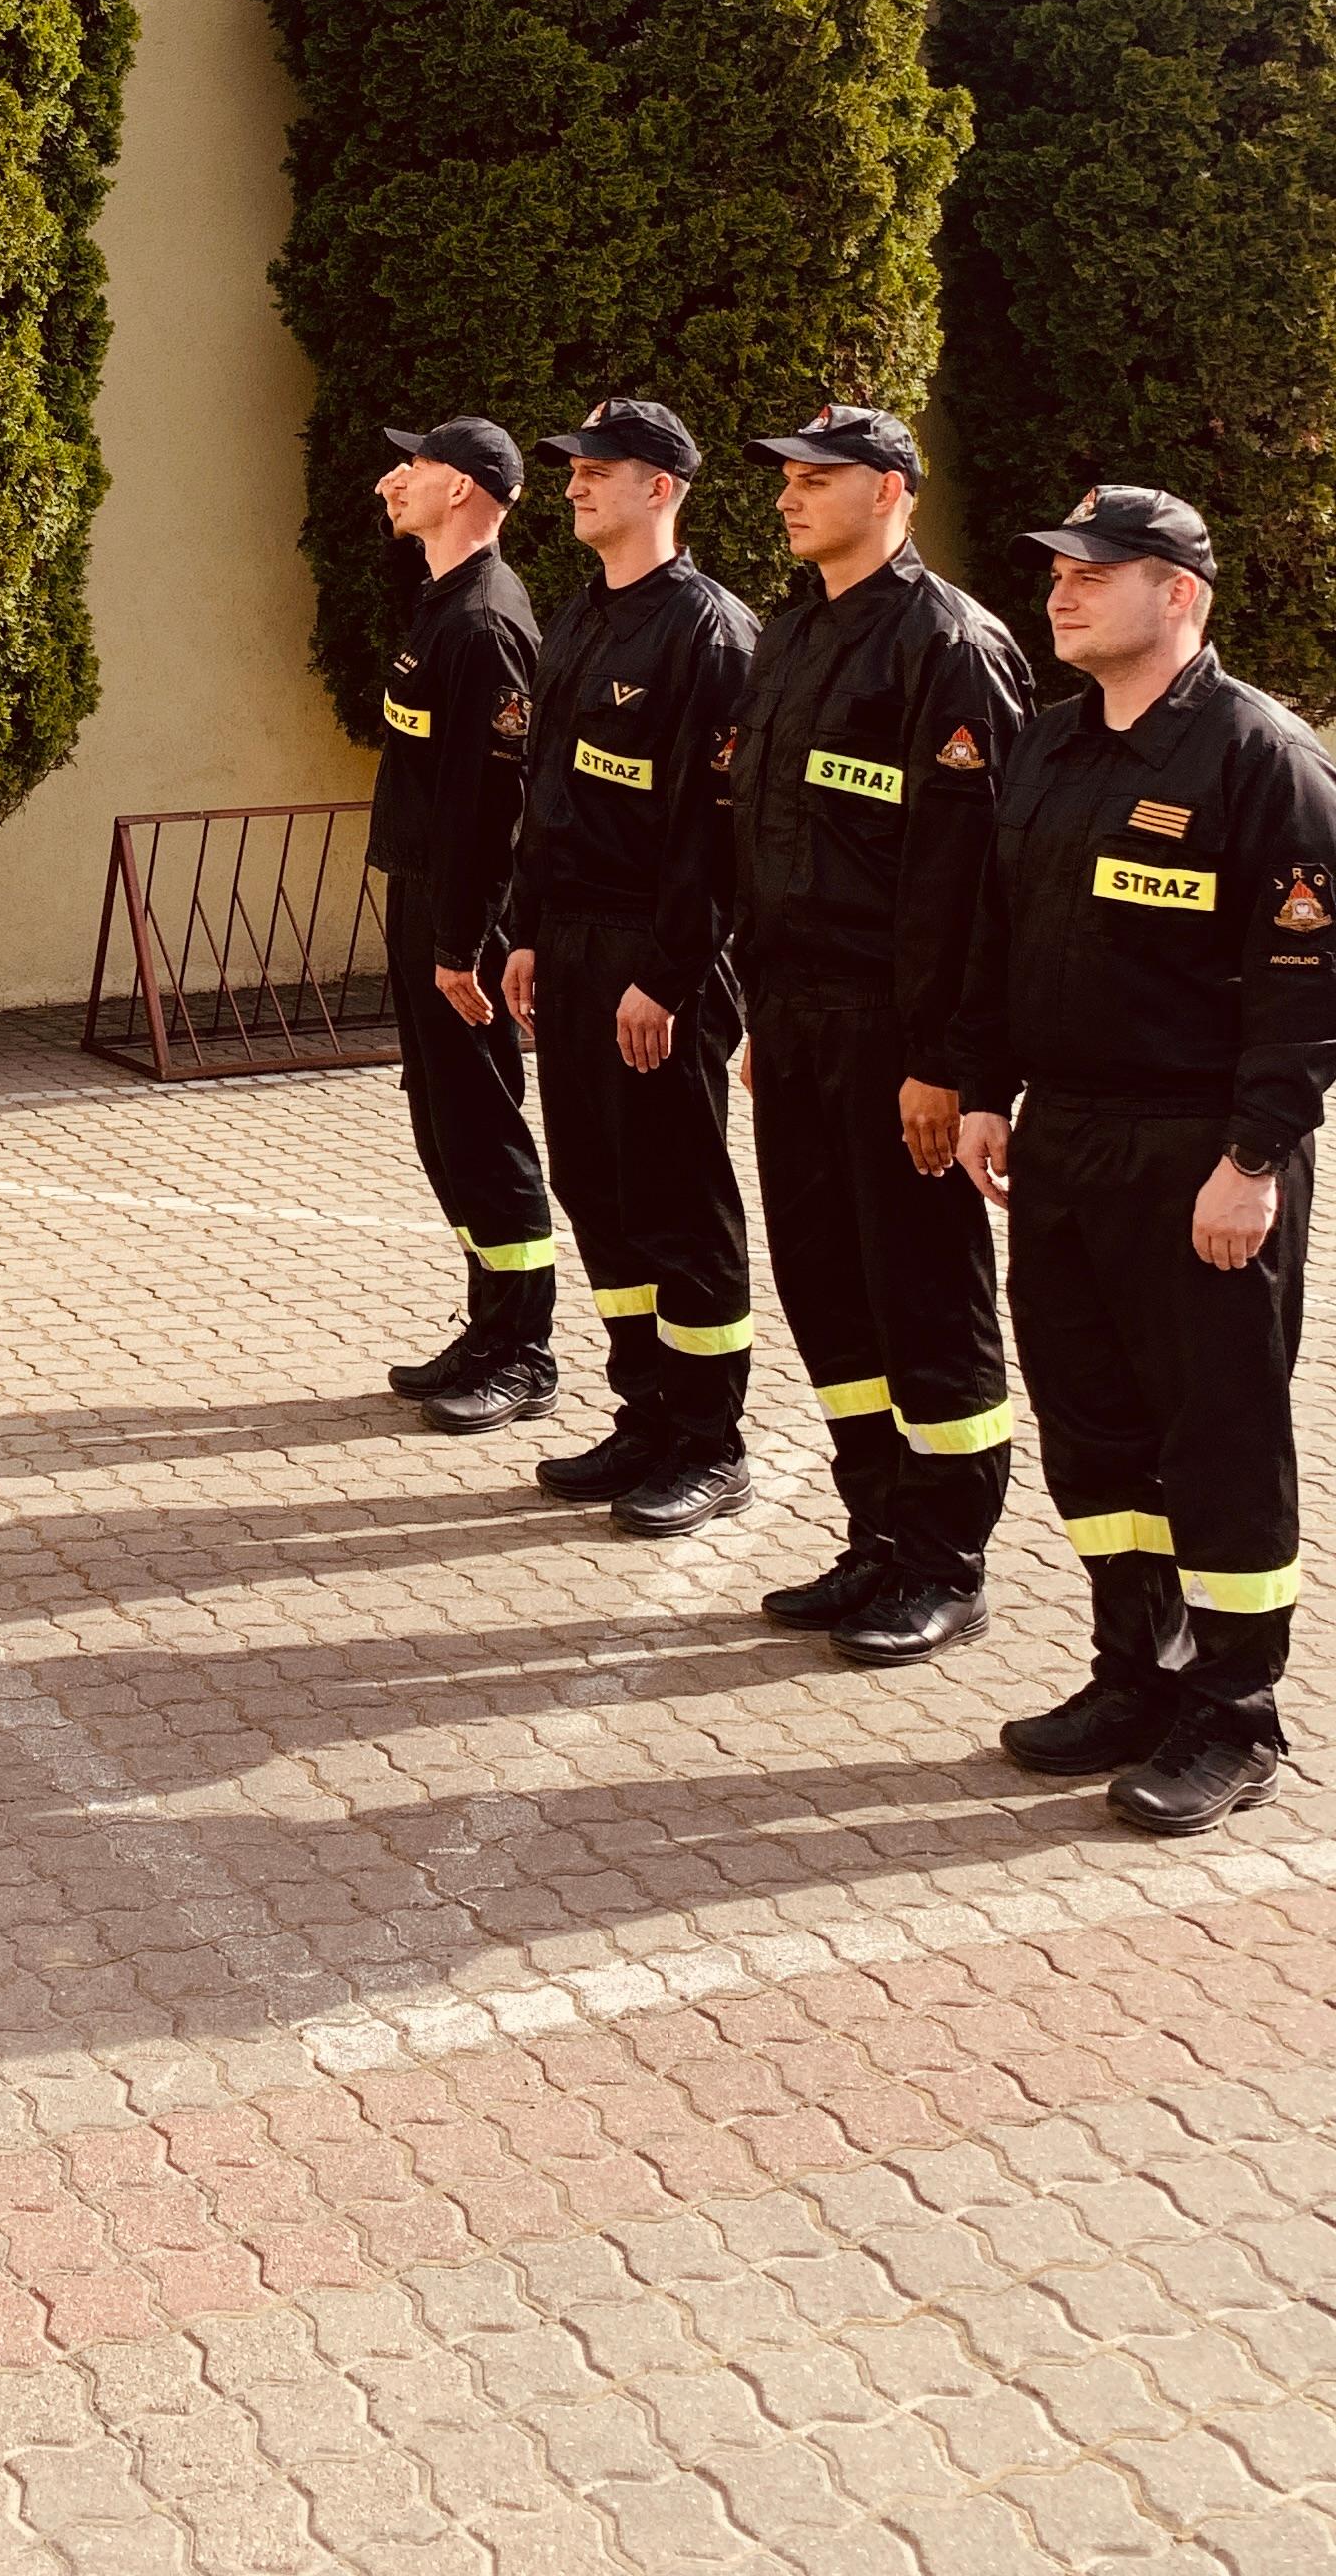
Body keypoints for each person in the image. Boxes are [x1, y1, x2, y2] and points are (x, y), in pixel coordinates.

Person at [954, 483, 1332, 1836]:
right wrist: (987, 1092)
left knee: (1217, 1436)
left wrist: (1255, 1158)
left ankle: (1235, 1713)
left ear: (1178, 594)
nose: (1061, 592)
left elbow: (1307, 986)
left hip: (1198, 1152)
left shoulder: (1259, 755)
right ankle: (1138, 1673)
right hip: (1065, 1139)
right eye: (1057, 571)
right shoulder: (1052, 746)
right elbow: (1000, 935)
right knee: (1097, 1428)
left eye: (1093, 573)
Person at [729, 408, 1035, 1665]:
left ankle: (948, 1560)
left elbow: (973, 882)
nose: (790, 497)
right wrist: (762, 1010)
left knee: (923, 1290)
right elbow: (765, 838)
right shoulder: (792, 633)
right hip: (796, 1021)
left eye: (820, 478)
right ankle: (878, 1533)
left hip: (894, 1036)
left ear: (894, 490)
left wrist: (944, 1063)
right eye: (787, 479)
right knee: (826, 1281)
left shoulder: (949, 646)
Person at [503, 401, 759, 1535]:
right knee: (597, 1190)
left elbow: (718, 834)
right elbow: (546, 790)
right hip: (570, 942)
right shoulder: (580, 615)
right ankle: (645, 1412)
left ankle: (708, 1440)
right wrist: (523, 931)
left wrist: (668, 973)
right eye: (571, 469)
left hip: (658, 958)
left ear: (662, 488)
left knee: (677, 1199)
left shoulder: (713, 634)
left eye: (598, 470)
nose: (573, 485)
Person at [367, 417, 557, 1432]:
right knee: (442, 1125)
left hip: (461, 917)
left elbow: (491, 806)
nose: (393, 478)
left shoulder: (485, 622)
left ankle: (523, 1351)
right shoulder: (442, 601)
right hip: (423, 897)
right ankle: (488, 1330)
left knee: (481, 1128)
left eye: (417, 465)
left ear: (464, 489)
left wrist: (458, 946)